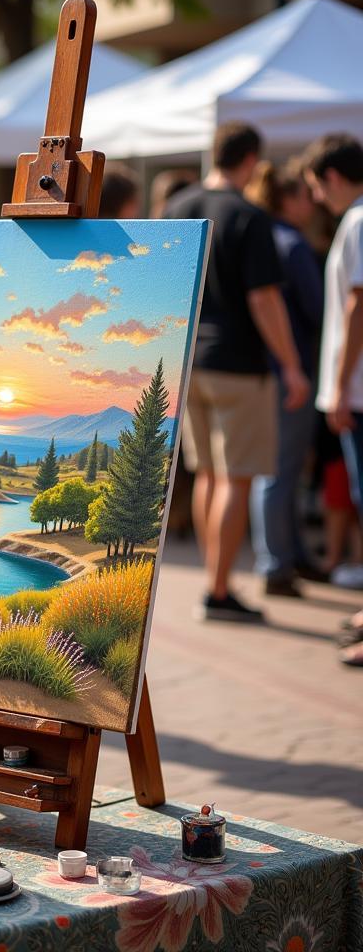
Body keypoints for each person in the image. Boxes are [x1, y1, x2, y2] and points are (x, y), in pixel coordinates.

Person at [165, 122, 309, 623]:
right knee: (235, 479)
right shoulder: (249, 215)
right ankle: (219, 589)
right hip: (239, 366)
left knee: (207, 475)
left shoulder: (178, 206)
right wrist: (291, 366)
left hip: (190, 362)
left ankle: (215, 580)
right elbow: (264, 297)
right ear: (250, 160)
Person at [244, 159, 325, 597]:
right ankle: (276, 563)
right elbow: (319, 309)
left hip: (264, 371)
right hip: (290, 371)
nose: (312, 205)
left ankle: (284, 556)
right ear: (289, 198)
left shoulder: (265, 238)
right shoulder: (292, 244)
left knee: (274, 471)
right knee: (280, 472)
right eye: (306, 196)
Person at [305, 132, 363, 666]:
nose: (318, 198)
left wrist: (342, 388)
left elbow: (357, 308)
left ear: (334, 177)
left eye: (318, 187)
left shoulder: (359, 221)